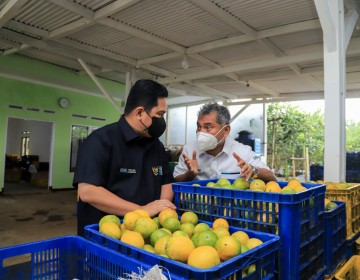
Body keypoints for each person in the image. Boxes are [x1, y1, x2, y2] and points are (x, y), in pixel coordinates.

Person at [73, 79, 175, 236]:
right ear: (140, 113)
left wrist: (161, 212)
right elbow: (88, 191)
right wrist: (142, 211)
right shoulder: (100, 141)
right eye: (159, 114)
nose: (162, 121)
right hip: (106, 238)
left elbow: (166, 183)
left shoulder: (156, 146)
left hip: (148, 236)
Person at [173, 103, 277, 182]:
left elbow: (272, 177)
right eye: (199, 127)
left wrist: (253, 170)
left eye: (208, 127)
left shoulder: (243, 152)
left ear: (226, 130)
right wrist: (190, 174)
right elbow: (176, 179)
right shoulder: (189, 150)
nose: (201, 132)